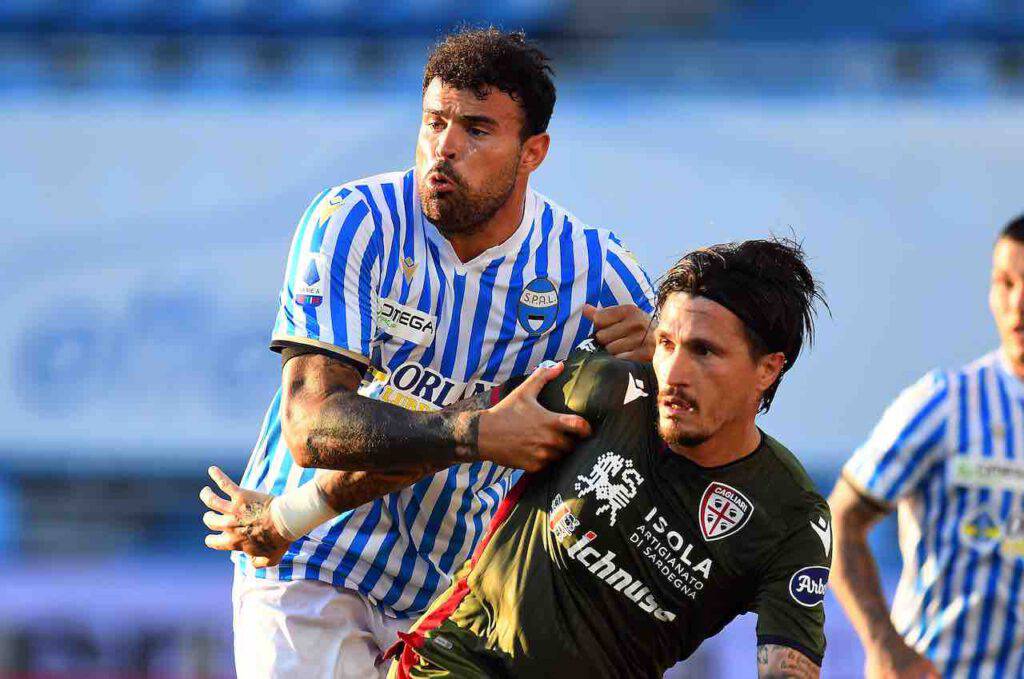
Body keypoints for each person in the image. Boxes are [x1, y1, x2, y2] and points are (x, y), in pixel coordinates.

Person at [198, 27, 654, 679]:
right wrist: (478, 433)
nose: (443, 148)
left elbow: (669, 429)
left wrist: (649, 369)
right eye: (434, 121)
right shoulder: (356, 220)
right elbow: (310, 426)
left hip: (451, 599)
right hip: (308, 563)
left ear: (533, 152)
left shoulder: (595, 272)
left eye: (476, 129)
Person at [364, 237, 827, 677]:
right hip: (460, 657)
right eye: (666, 344)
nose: (676, 374)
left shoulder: (791, 516)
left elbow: (787, 667)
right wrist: (297, 517)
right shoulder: (604, 387)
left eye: (704, 351)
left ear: (768, 369)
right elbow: (439, 438)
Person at [829, 215, 1024, 679]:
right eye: (1005, 282)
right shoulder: (947, 402)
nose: (1019, 303)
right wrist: (883, 646)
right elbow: (839, 520)